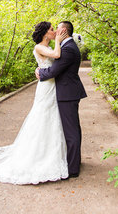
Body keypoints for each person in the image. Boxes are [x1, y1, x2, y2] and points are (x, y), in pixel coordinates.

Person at [0, 21, 69, 184]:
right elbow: (56, 56)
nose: (54, 31)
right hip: (45, 87)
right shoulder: (39, 47)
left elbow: (56, 60)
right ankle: (38, 155)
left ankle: (54, 154)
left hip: (53, 85)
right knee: (42, 116)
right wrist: (57, 42)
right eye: (51, 30)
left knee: (53, 118)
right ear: (44, 33)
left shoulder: (48, 47)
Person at [36, 21, 87, 178]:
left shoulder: (68, 48)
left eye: (56, 28)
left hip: (67, 94)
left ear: (63, 30)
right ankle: (74, 162)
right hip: (65, 92)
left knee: (71, 132)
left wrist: (40, 73)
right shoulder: (66, 46)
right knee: (73, 129)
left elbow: (55, 70)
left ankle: (73, 169)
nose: (55, 31)